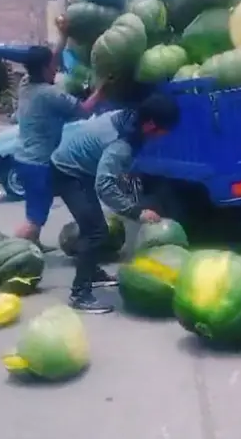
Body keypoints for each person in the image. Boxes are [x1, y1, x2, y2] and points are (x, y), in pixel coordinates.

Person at [50, 93, 180, 314]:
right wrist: (135, 211)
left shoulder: (128, 118)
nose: (163, 136)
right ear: (150, 125)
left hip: (81, 169)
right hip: (68, 174)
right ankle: (79, 294)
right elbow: (105, 184)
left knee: (95, 225)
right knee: (96, 232)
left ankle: (91, 272)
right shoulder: (121, 144)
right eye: (163, 130)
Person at [13, 45, 104, 248]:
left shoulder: (25, 83)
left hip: (23, 159)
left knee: (35, 209)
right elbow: (83, 111)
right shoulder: (50, 95)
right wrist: (102, 90)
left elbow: (48, 59)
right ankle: (9, 252)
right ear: (45, 68)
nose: (56, 69)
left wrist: (62, 35)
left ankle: (34, 245)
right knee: (34, 220)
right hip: (39, 164)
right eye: (53, 66)